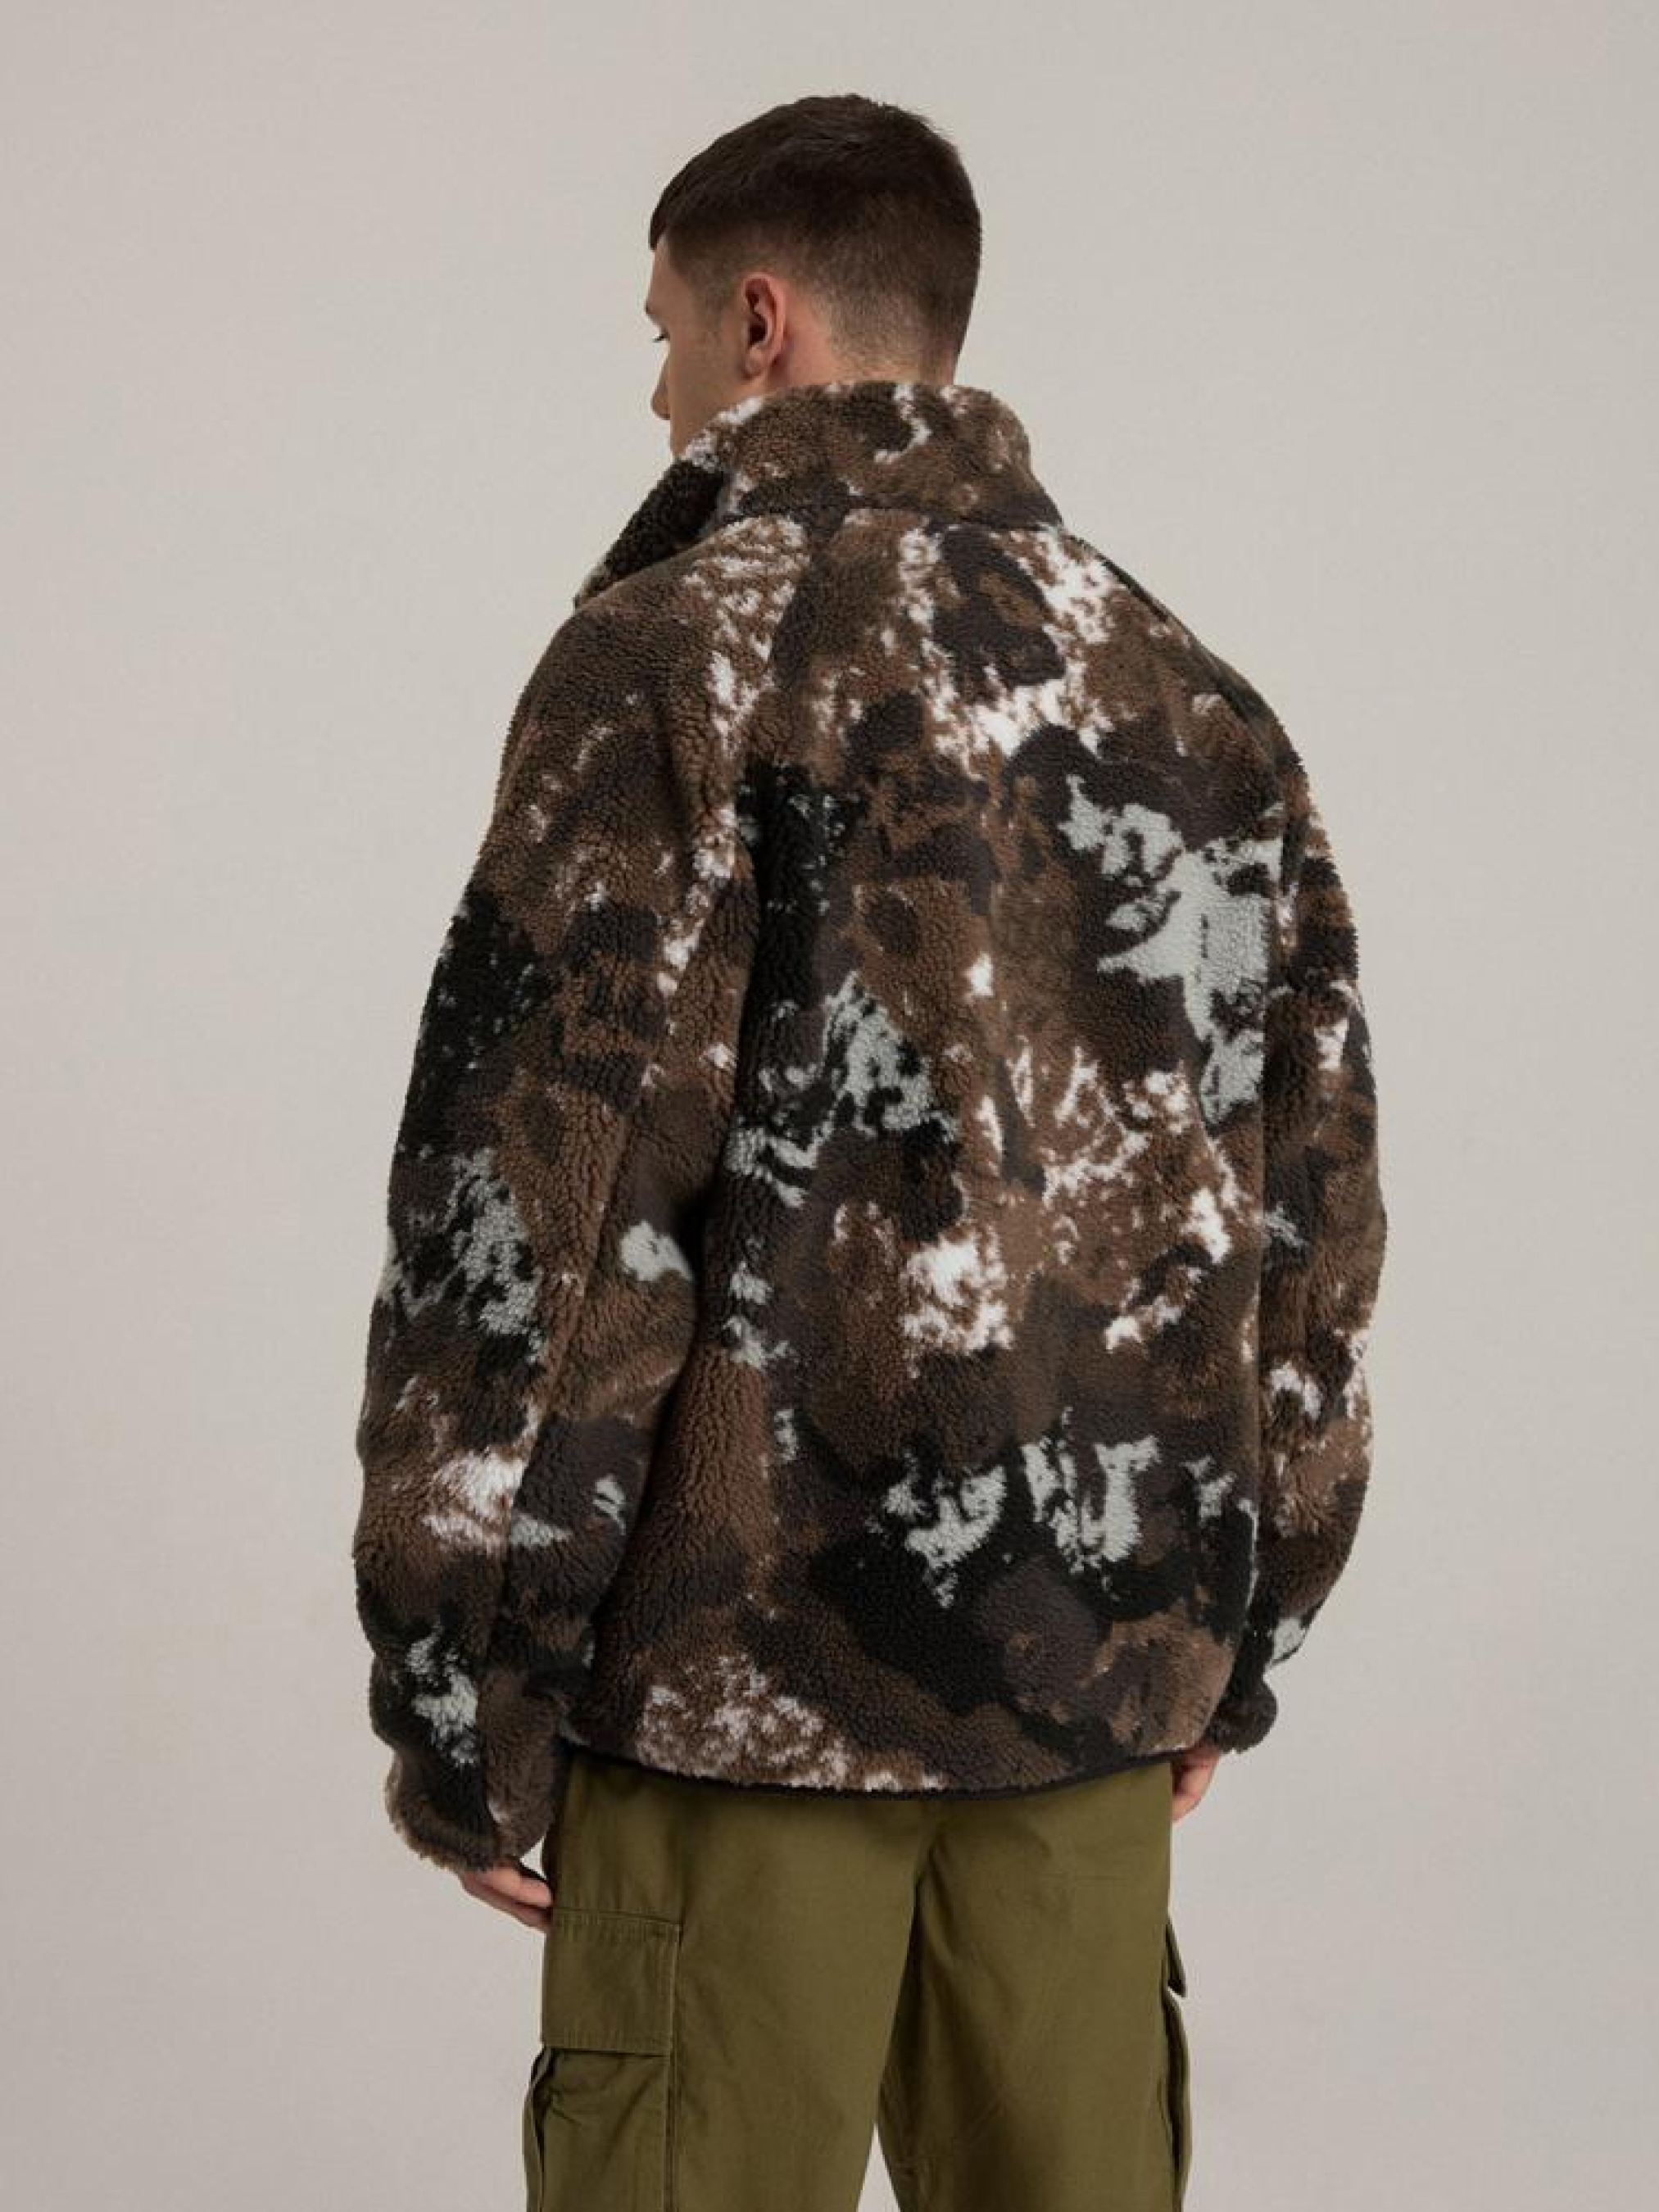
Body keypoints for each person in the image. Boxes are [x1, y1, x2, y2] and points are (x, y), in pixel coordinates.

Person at [350, 89, 1388, 2212]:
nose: (654, 394)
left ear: (760, 321)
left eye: (660, 335)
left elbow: (539, 1225)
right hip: (1092, 1698)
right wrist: (1237, 1631)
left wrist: (465, 1696)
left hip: (732, 1712)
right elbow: (1310, 1214)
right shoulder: (1190, 694)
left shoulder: (675, 651)